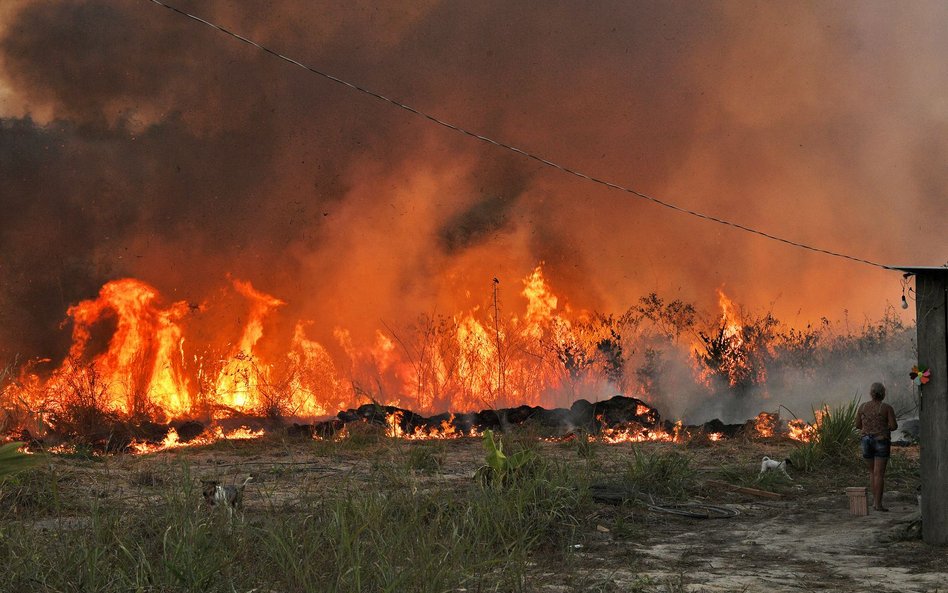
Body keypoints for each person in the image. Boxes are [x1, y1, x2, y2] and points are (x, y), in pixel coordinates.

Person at [855, 382, 898, 512]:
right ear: (883, 394)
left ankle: (874, 502)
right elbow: (894, 426)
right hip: (881, 441)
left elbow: (857, 425)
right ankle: (878, 504)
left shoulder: (862, 407)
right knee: (879, 474)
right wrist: (885, 427)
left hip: (866, 441)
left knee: (872, 472)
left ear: (871, 393)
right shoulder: (886, 408)